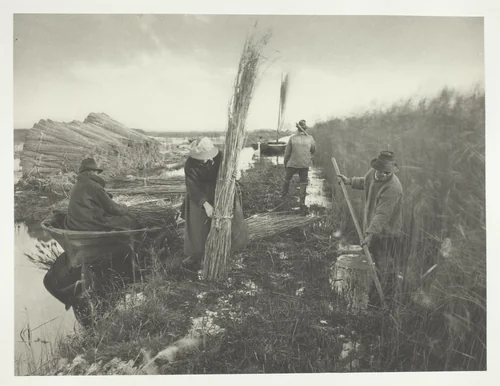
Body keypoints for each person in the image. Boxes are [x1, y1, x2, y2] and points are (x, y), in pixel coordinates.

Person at [336, 150, 404, 293]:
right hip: (373, 227)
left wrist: (370, 234)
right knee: (376, 260)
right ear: (376, 168)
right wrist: (349, 181)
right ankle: (378, 288)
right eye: (381, 171)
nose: (383, 174)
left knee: (385, 264)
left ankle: (386, 294)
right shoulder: (372, 174)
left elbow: (382, 215)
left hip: (387, 232)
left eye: (387, 172)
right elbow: (366, 182)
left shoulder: (393, 187)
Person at [181, 137, 249, 271]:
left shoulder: (221, 156)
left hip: (221, 191)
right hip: (199, 194)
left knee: (231, 220)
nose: (205, 160)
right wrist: (205, 204)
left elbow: (233, 171)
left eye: (207, 156)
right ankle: (197, 254)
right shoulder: (190, 164)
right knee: (198, 225)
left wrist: (235, 174)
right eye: (201, 157)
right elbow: (192, 187)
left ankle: (229, 249)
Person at [65, 158, 139, 231]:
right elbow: (113, 208)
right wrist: (125, 206)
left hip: (74, 224)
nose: (97, 174)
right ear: (91, 172)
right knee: (129, 220)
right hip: (88, 224)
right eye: (96, 172)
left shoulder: (77, 184)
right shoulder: (94, 186)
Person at [282, 119, 317, 215]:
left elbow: (287, 153)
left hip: (292, 163)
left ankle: (283, 197)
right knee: (303, 182)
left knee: (286, 179)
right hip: (304, 164)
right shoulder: (310, 138)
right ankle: (302, 202)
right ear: (305, 129)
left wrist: (285, 164)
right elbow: (313, 150)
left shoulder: (292, 138)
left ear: (298, 129)